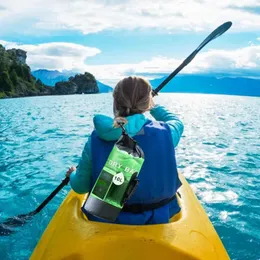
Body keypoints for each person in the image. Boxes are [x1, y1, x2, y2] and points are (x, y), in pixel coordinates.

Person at [66, 76, 184, 225]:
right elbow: (177, 122)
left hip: (105, 222)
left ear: (115, 102)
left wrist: (72, 174)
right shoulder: (167, 133)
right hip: (159, 218)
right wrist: (153, 106)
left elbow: (80, 187)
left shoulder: (96, 138)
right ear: (147, 102)